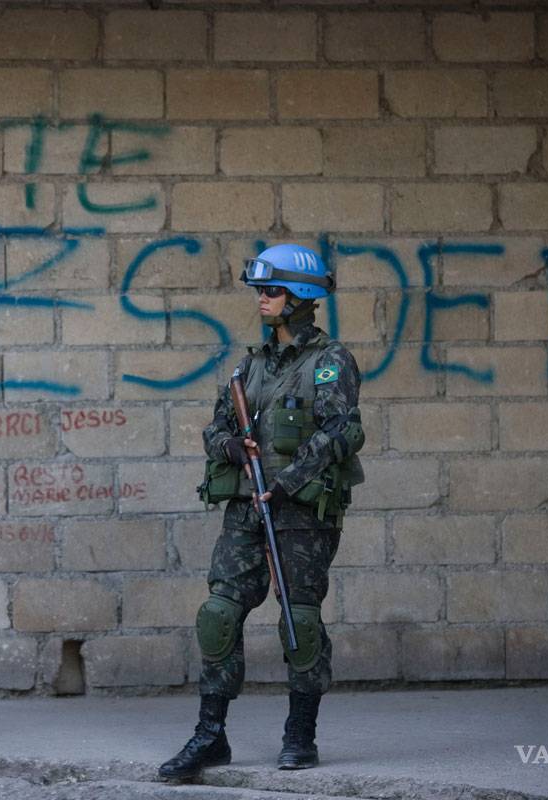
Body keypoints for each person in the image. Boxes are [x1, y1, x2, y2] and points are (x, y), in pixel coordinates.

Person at [159, 244, 366, 779]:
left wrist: (288, 482)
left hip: (301, 512)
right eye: (259, 290)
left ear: (301, 297)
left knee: (300, 620)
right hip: (247, 509)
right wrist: (230, 449)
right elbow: (216, 427)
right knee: (218, 614)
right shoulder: (248, 365)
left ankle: (300, 736)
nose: (262, 300)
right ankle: (210, 737)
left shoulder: (329, 362)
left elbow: (341, 431)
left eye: (271, 290)